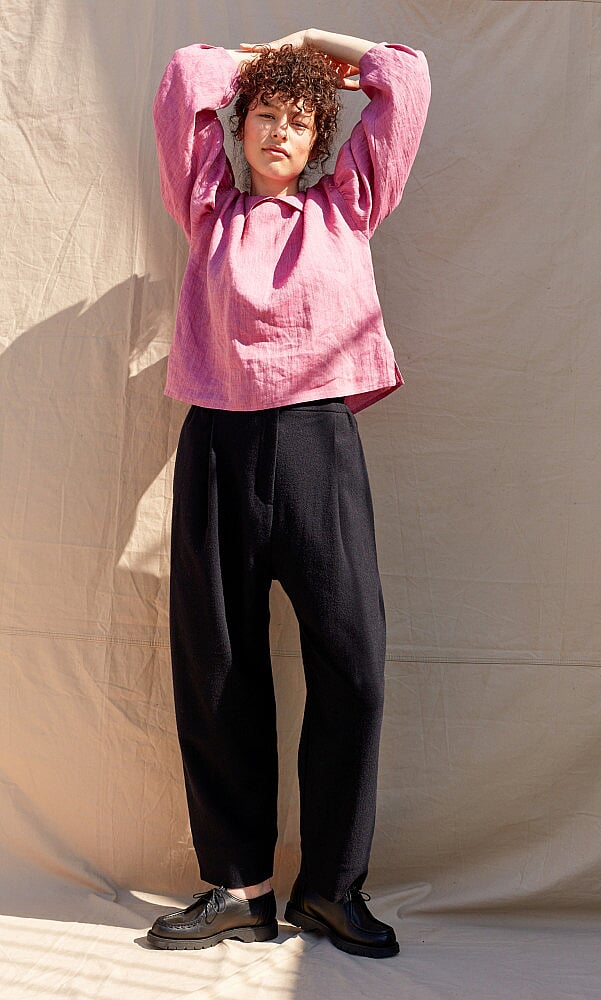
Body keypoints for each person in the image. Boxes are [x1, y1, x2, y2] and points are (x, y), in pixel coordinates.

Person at [148, 27, 430, 959]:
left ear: (318, 143)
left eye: (300, 120)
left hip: (316, 444)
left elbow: (406, 81)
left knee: (352, 664)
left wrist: (316, 46)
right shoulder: (208, 206)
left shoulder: (347, 206)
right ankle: (239, 888)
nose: (278, 130)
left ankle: (331, 892)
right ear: (238, 130)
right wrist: (263, 61)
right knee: (217, 667)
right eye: (265, 115)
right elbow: (185, 79)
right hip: (218, 445)